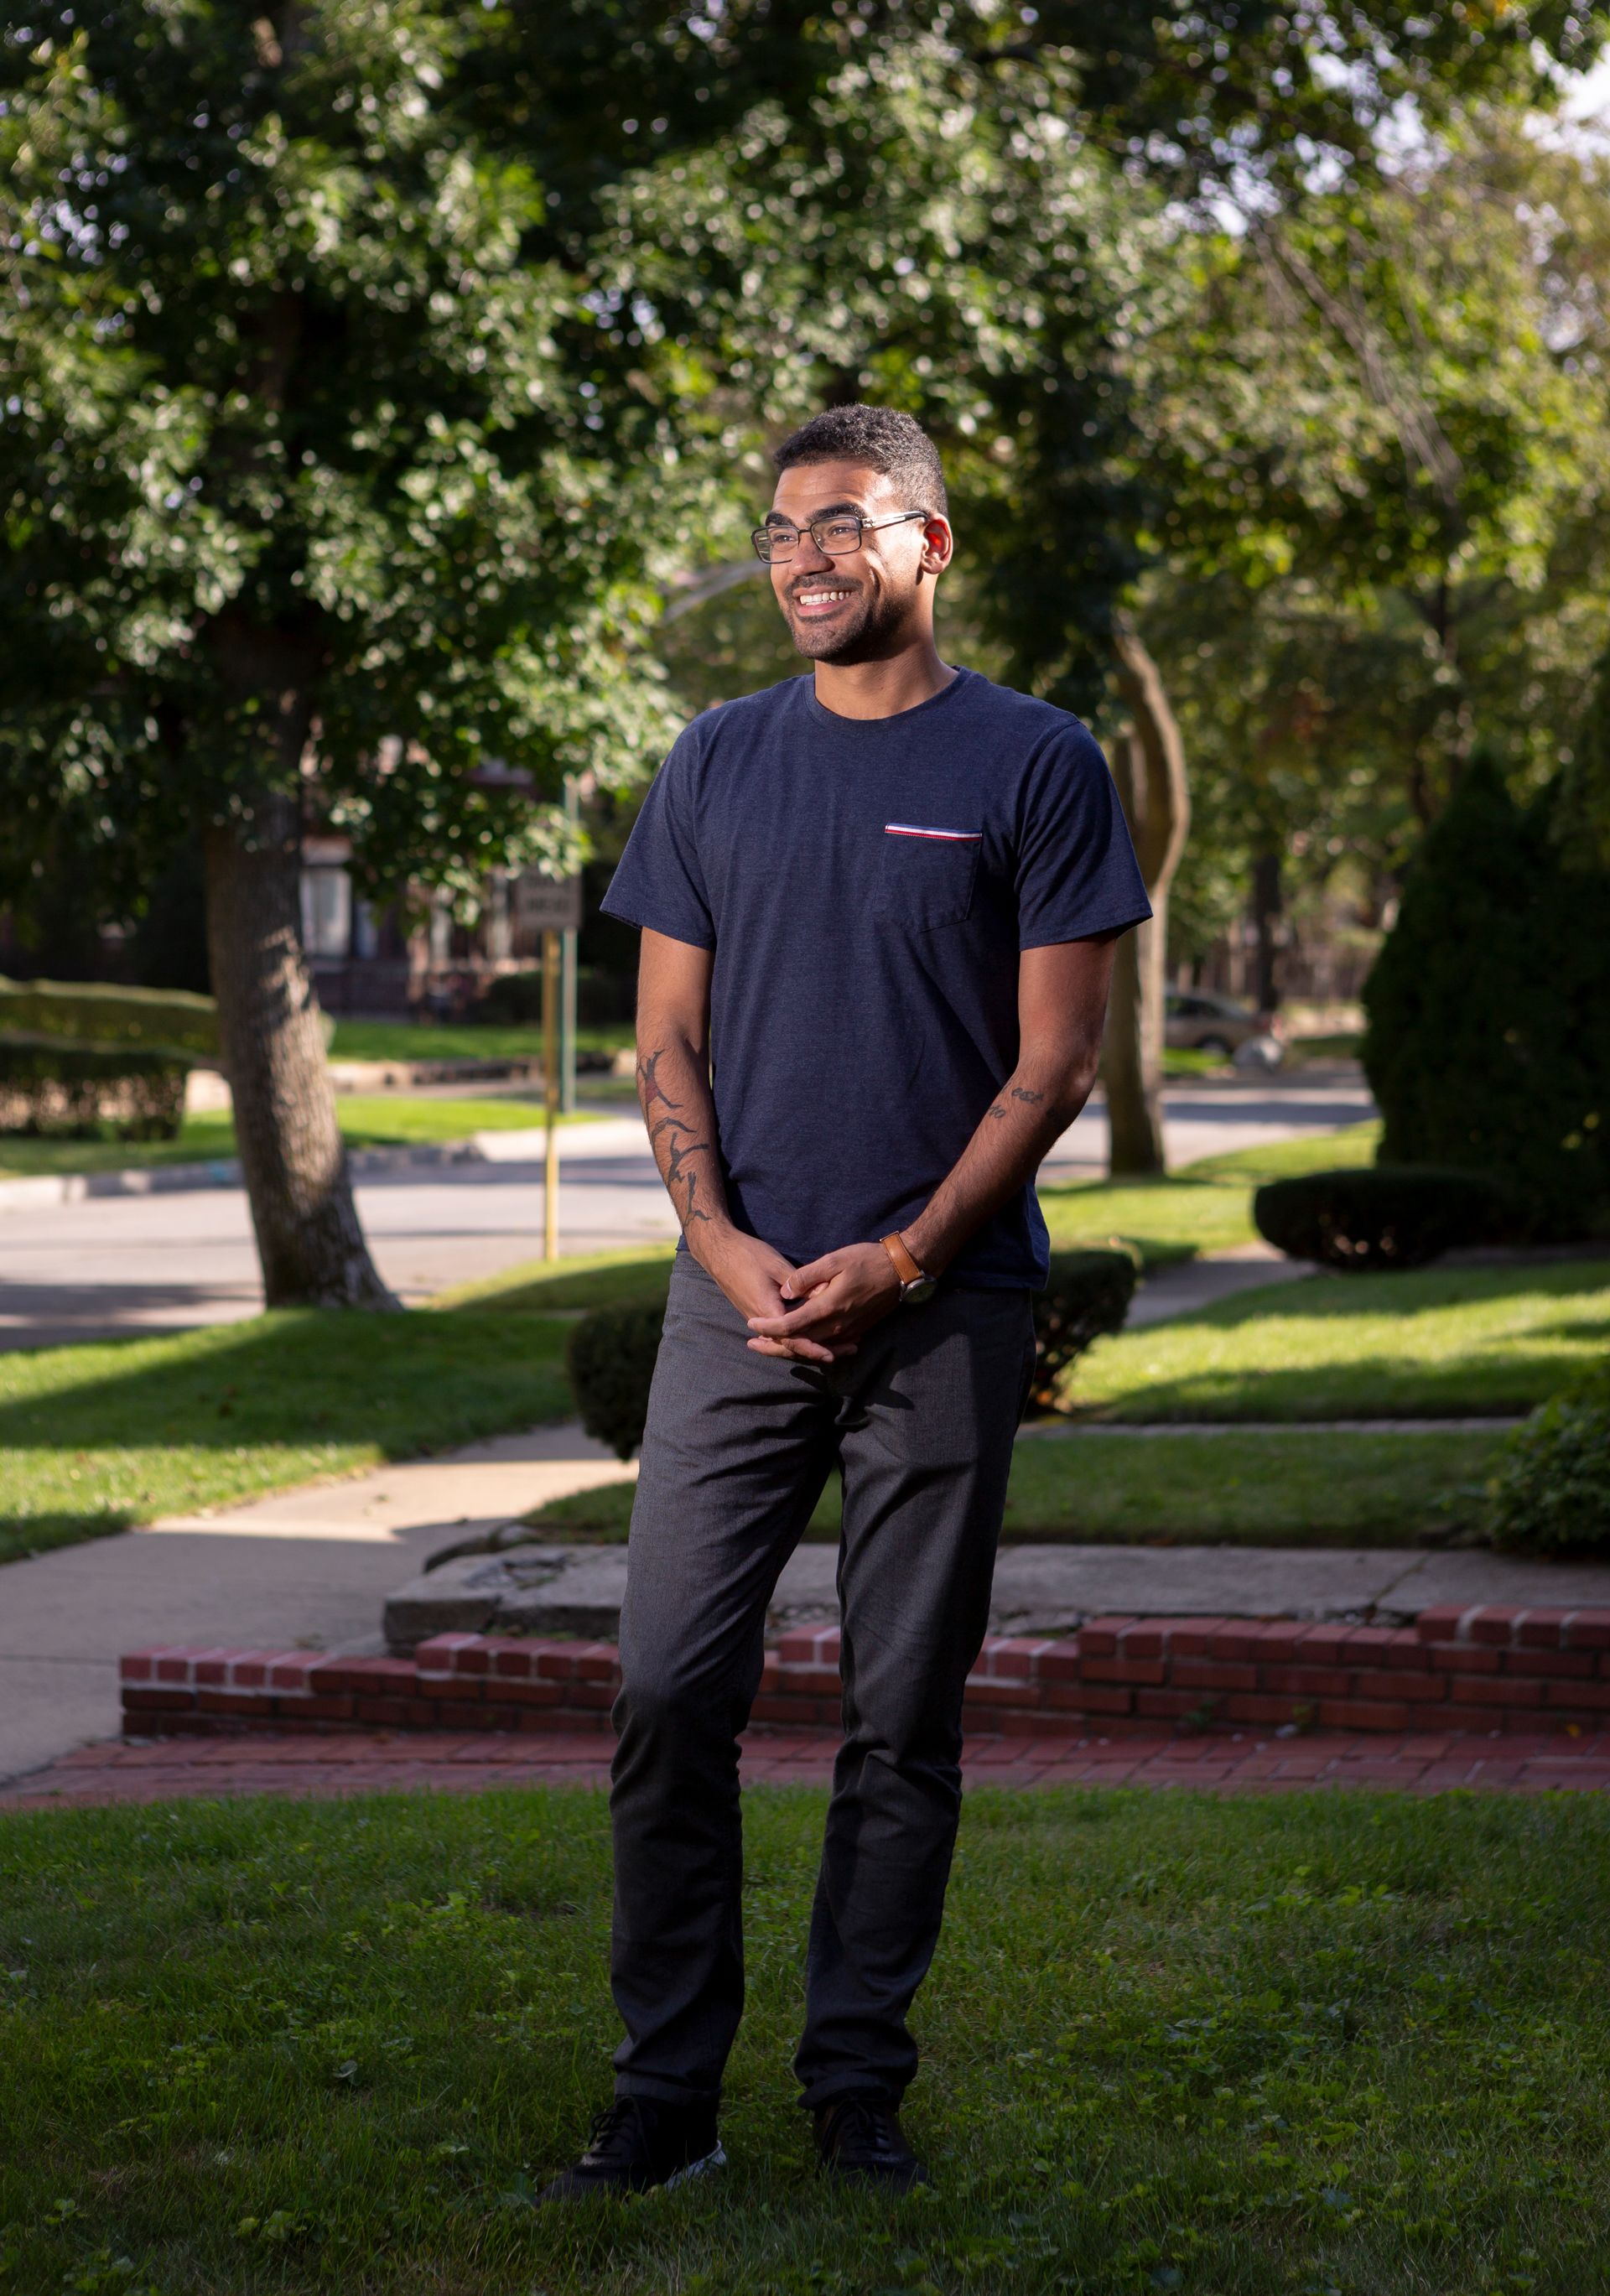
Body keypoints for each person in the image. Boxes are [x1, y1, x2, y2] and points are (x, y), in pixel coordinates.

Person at [540, 404, 1150, 2202]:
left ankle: (853, 2084)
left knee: (902, 1711)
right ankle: (665, 2089)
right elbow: (665, 1038)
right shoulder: (715, 762)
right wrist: (720, 1244)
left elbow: (1050, 1070)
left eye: (842, 523)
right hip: (733, 1300)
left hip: (942, 1311)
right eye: (780, 528)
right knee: (665, 1690)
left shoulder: (1040, 761)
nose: (802, 554)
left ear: (929, 545)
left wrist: (903, 1259)